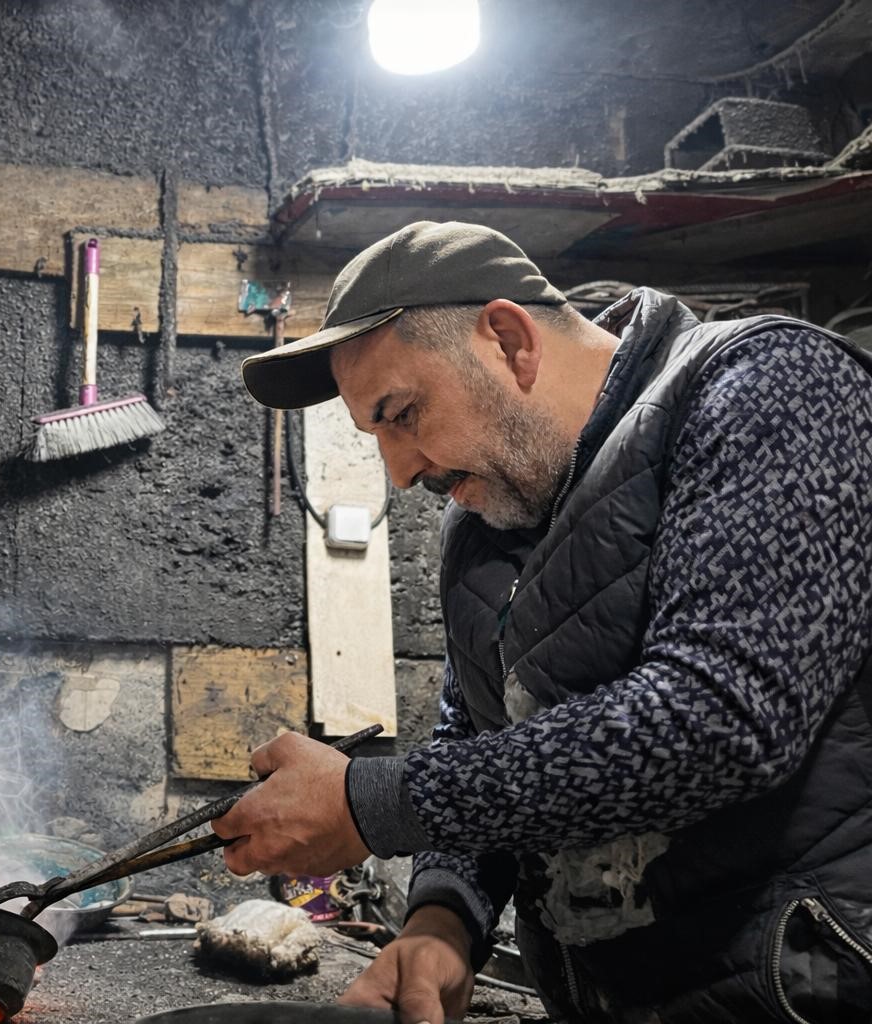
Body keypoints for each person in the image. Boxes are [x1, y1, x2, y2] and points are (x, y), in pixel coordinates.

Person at [215, 221, 872, 1024]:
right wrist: (444, 917)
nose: (400, 470)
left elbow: (723, 718)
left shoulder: (765, 384)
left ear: (509, 338)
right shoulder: (490, 516)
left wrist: (372, 804)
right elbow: (482, 742)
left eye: (402, 414)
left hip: (802, 991)